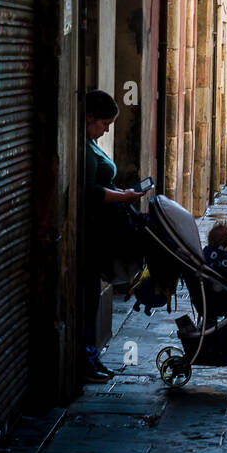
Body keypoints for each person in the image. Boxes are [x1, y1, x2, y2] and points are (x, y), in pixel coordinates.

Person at [84, 89, 148, 382]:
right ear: (89, 118)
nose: (107, 130)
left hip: (103, 228)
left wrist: (123, 194)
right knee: (86, 297)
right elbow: (92, 192)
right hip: (94, 231)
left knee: (91, 295)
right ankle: (87, 359)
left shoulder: (90, 143)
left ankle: (91, 357)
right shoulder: (82, 149)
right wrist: (123, 198)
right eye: (104, 124)